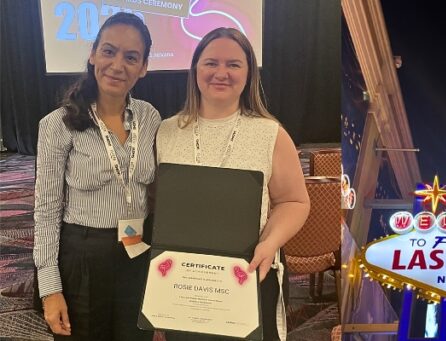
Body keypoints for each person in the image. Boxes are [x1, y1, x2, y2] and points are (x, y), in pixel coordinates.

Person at [156, 27, 310, 340]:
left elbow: (294, 201)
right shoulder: (166, 132)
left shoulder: (270, 133)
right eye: (211, 63)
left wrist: (270, 243)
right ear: (195, 69)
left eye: (233, 64)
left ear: (249, 73)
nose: (221, 73)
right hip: (183, 281)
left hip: (248, 273)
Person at [32, 12, 159, 340]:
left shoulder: (150, 117)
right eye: (109, 51)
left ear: (144, 67)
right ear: (93, 55)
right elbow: (46, 210)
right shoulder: (58, 124)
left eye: (131, 57)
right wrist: (50, 289)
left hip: (137, 251)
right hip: (83, 256)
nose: (118, 65)